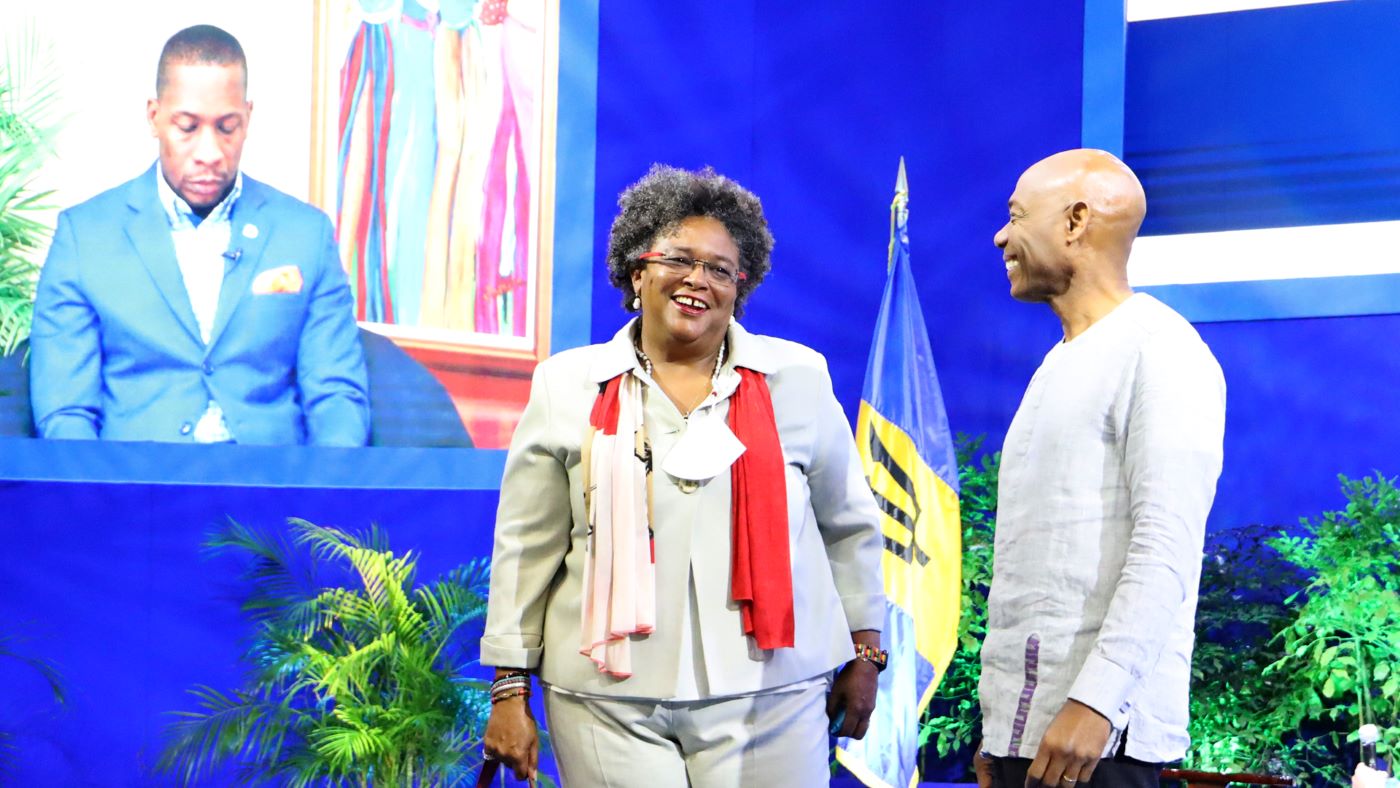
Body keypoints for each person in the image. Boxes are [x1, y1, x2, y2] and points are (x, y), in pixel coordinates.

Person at [479, 165, 886, 786]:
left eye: (721, 269)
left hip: (771, 692)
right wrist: (509, 688)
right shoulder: (567, 383)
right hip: (607, 703)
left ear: (740, 287)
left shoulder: (797, 379)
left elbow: (847, 525)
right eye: (677, 259)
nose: (698, 280)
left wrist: (865, 652)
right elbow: (526, 546)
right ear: (636, 271)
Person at [974, 149, 1226, 788]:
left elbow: (1165, 548)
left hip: (1100, 745)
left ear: (1075, 221)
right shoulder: (1059, 361)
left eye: (1016, 216)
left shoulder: (1161, 351)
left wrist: (1096, 703)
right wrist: (998, 731)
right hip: (1030, 739)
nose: (1002, 235)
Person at [29, 24, 369, 445]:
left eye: (226, 127)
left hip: (271, 494)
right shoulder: (85, 237)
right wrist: (102, 505)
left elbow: (336, 397)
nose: (209, 153)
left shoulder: (305, 234)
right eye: (187, 127)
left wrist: (322, 502)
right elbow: (66, 413)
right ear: (154, 117)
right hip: (141, 493)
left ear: (247, 119)